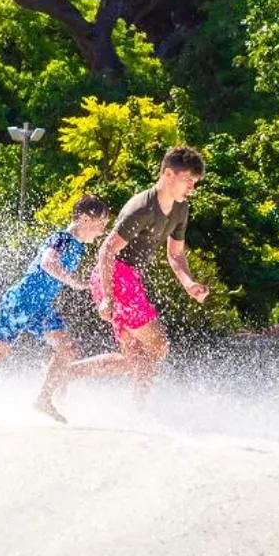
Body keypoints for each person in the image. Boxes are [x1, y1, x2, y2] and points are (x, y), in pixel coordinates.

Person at [0, 195, 111, 427]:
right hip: (20, 302)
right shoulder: (61, 238)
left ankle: (43, 399)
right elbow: (48, 263)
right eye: (101, 223)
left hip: (41, 307)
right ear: (85, 219)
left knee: (67, 349)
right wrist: (75, 282)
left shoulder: (78, 247)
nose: (102, 231)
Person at [64, 145, 210, 403]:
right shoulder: (142, 208)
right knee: (159, 346)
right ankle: (133, 406)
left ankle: (71, 374)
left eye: (194, 182)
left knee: (137, 359)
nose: (191, 187)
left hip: (128, 279)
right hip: (116, 276)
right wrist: (108, 297)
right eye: (188, 179)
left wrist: (189, 284)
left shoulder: (180, 209)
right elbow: (106, 250)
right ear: (168, 174)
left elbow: (175, 254)